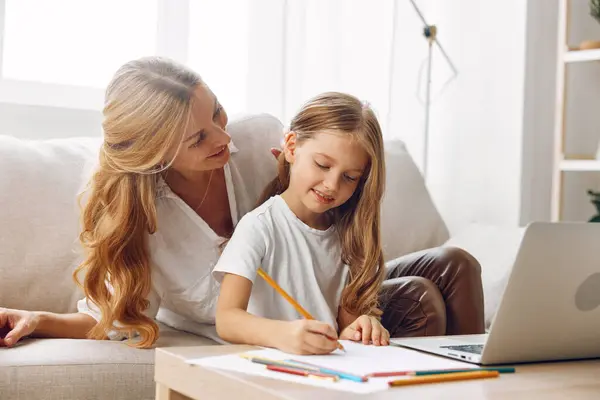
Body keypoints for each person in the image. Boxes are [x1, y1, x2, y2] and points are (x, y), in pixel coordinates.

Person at [0, 57, 484, 349]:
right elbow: (113, 314)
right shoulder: (140, 217)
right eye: (198, 137)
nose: (223, 137)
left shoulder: (255, 142)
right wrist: (38, 320)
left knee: (454, 264)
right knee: (421, 299)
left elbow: (329, 228)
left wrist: (359, 307)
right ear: (155, 154)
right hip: (288, 330)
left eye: (217, 112)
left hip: (333, 300)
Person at [215, 92, 389, 354]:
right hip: (281, 366)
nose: (332, 185)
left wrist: (361, 328)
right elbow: (227, 320)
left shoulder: (349, 236)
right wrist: (283, 334)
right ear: (292, 147)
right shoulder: (259, 226)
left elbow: (346, 333)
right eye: (322, 165)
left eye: (350, 177)